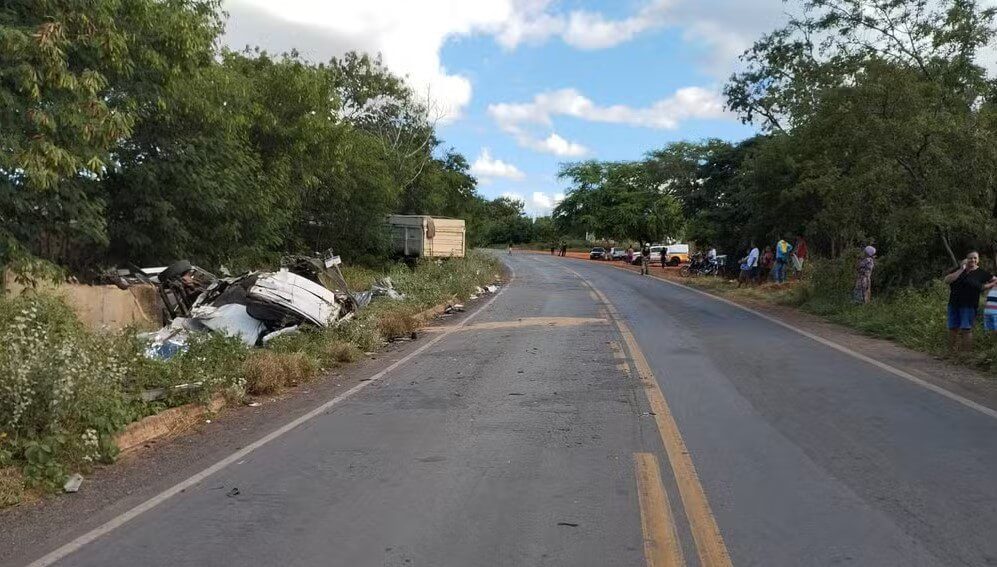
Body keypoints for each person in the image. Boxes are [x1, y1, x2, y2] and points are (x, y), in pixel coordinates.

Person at [943, 251, 997, 354]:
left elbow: (995, 280)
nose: (973, 260)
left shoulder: (981, 273)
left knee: (966, 329)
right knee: (953, 328)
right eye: (970, 258)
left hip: (969, 305)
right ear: (966, 260)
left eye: (975, 258)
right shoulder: (958, 270)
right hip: (953, 304)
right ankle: (951, 353)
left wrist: (985, 287)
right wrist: (961, 270)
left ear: (978, 260)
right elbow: (947, 280)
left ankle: (966, 355)